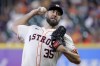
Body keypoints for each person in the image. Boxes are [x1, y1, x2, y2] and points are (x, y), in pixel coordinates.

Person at [12, 4, 81, 66]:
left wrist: (64, 50)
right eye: (53, 11)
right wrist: (33, 13)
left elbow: (77, 60)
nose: (55, 14)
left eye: (58, 13)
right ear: (46, 14)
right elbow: (15, 26)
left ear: (60, 18)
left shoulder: (63, 36)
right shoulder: (31, 29)